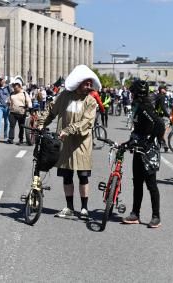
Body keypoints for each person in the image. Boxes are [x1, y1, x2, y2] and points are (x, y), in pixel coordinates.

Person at [38, 65, 100, 219]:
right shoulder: (64, 96)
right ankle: (69, 207)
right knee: (67, 176)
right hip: (64, 144)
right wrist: (41, 123)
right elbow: (51, 110)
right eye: (86, 83)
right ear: (78, 83)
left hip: (82, 144)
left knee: (83, 176)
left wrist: (68, 129)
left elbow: (86, 122)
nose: (89, 86)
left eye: (90, 84)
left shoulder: (91, 101)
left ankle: (84, 208)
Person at [122, 80, 165, 228]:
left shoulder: (145, 106)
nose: (131, 94)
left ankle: (156, 216)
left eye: (131, 91)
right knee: (137, 182)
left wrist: (150, 141)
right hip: (138, 148)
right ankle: (135, 214)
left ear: (135, 92)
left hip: (149, 150)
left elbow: (159, 124)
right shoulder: (136, 105)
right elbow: (138, 129)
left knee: (151, 184)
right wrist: (129, 142)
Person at [7, 76, 32, 145]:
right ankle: (10, 139)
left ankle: (21, 139)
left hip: (22, 112)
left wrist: (29, 106)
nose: (14, 87)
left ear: (20, 86)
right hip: (12, 112)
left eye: (16, 86)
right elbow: (8, 101)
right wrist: (8, 102)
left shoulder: (24, 93)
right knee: (12, 125)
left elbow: (28, 101)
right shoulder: (12, 93)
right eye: (14, 86)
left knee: (21, 127)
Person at [155, 85, 171, 152]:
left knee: (159, 132)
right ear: (161, 90)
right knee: (161, 132)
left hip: (157, 115)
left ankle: (163, 145)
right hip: (158, 116)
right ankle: (162, 145)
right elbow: (162, 107)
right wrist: (168, 115)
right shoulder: (161, 96)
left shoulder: (158, 96)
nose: (166, 90)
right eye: (165, 89)